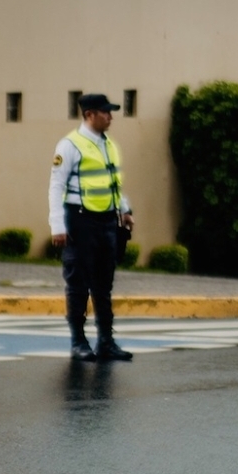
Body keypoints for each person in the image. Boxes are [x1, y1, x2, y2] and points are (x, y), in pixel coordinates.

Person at [48, 93, 135, 362]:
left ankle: (106, 342)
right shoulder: (70, 145)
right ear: (89, 115)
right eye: (105, 112)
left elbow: (113, 182)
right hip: (80, 220)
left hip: (107, 221)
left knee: (103, 283)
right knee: (78, 283)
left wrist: (125, 209)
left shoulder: (109, 145)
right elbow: (56, 186)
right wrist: (57, 225)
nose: (110, 117)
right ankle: (78, 341)